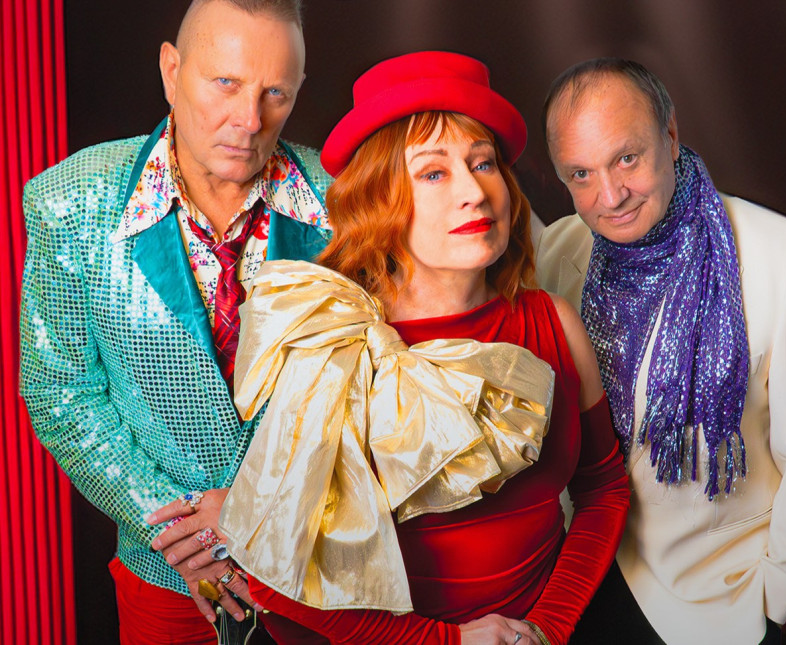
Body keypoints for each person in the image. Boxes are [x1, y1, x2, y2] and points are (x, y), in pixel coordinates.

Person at [212, 51, 630, 645]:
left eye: (482, 163)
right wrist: (448, 643)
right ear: (380, 198)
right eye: (433, 173)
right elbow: (275, 576)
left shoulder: (554, 323)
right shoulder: (339, 346)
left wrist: (548, 628)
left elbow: (603, 489)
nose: (474, 192)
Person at [18, 0, 331, 642]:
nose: (249, 120)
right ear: (171, 70)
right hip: (165, 573)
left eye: (275, 93)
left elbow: (382, 390)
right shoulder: (69, 201)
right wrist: (180, 533)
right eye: (226, 83)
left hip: (322, 571)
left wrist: (266, 514)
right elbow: (59, 393)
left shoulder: (348, 199)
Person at [535, 57, 786, 645]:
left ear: (671, 135)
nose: (610, 195)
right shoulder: (559, 248)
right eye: (580, 174)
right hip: (576, 582)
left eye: (626, 159)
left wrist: (773, 600)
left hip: (714, 607)